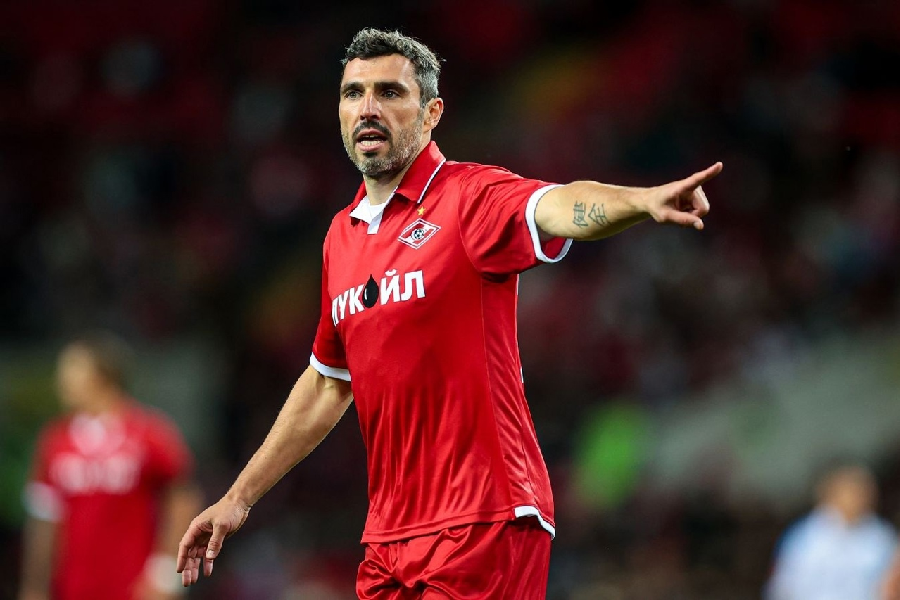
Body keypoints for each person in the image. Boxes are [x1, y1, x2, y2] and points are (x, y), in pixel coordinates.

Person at [177, 28, 722, 599]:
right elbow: (327, 383)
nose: (367, 108)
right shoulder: (341, 235)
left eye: (390, 92)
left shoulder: (468, 197)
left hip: (484, 519)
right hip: (388, 539)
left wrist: (640, 201)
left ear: (432, 112)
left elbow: (558, 204)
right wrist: (238, 498)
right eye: (353, 93)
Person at [19, 333, 200, 600]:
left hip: (135, 587)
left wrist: (167, 570)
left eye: (72, 370)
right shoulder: (55, 441)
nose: (62, 380)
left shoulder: (149, 434)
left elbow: (183, 498)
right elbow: (44, 520)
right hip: (72, 588)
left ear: (104, 376)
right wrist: (34, 587)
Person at [765, 462, 898, 600]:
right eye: (850, 491)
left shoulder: (882, 538)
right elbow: (782, 588)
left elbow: (891, 587)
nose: (857, 498)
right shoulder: (803, 536)